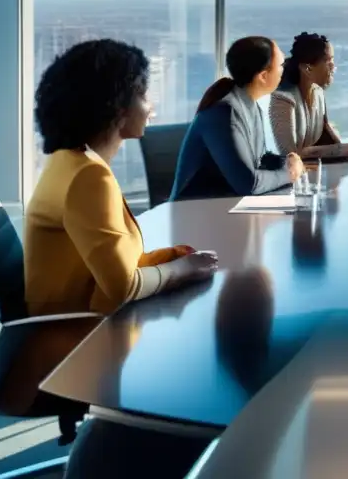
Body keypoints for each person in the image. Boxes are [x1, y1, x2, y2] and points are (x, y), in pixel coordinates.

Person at [25, 39, 217, 317]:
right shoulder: (88, 177)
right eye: (142, 95)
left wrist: (171, 258)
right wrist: (184, 270)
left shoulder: (69, 161)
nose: (150, 106)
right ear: (115, 106)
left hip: (81, 322)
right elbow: (123, 287)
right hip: (79, 341)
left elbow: (112, 266)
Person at [171, 36, 304, 201]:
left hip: (223, 207)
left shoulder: (249, 105)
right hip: (195, 215)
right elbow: (248, 183)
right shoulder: (224, 113)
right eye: (281, 65)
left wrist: (286, 161)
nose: (284, 69)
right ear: (263, 76)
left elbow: (257, 161)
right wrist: (290, 173)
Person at [269, 32, 348, 159]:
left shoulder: (318, 92)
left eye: (333, 60)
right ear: (307, 68)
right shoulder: (282, 99)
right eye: (327, 61)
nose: (333, 67)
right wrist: (338, 150)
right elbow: (289, 154)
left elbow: (324, 137)